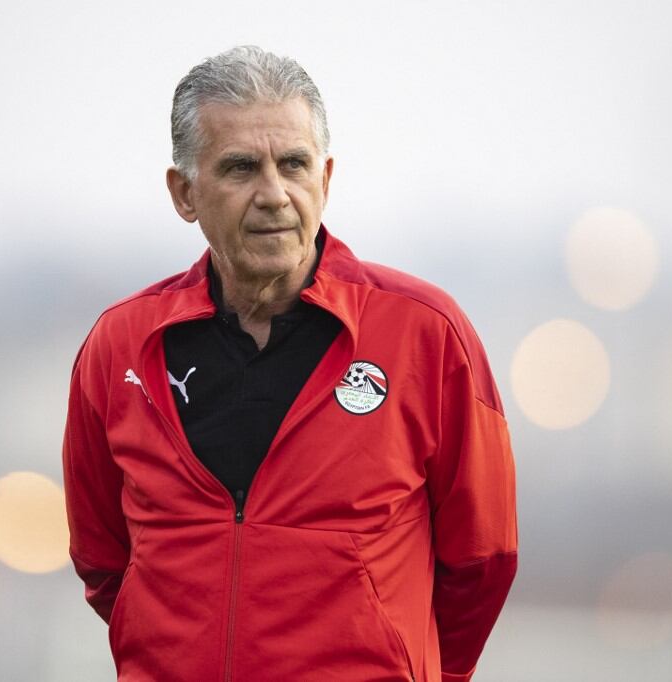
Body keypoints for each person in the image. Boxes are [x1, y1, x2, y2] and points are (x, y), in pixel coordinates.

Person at [62, 45, 517, 682]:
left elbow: (484, 558)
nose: (274, 194)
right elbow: (104, 559)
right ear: (184, 192)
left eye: (294, 164)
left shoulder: (426, 333)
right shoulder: (120, 347)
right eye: (241, 168)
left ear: (325, 179)